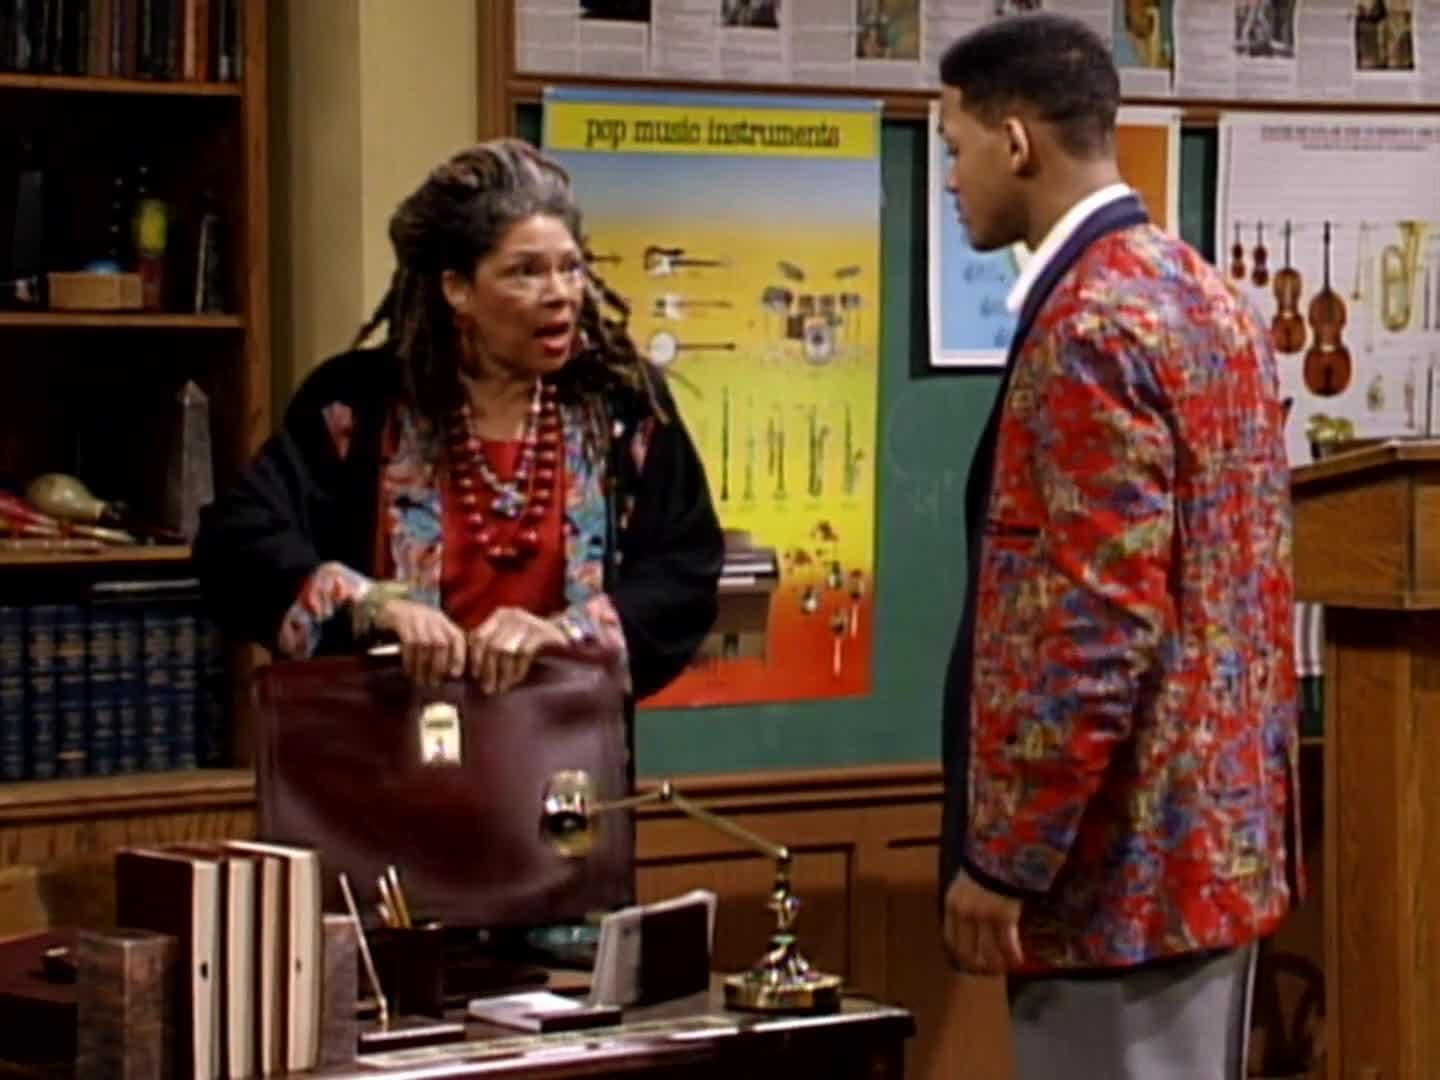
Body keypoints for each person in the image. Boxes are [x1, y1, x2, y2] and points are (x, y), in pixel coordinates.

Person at [934, 15, 1299, 1079]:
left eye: (954, 146)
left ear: (1015, 141)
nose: (950, 178)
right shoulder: (1206, 295)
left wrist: (1006, 858)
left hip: (1116, 880)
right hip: (1215, 855)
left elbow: (1097, 626)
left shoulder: (1090, 327)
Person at [193, 139, 723, 706]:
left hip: (563, 738)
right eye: (525, 272)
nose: (560, 295)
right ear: (458, 289)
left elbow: (684, 571)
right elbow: (236, 544)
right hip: (390, 740)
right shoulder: (361, 403)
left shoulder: (620, 405)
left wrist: (566, 633)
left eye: (571, 269)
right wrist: (372, 606)